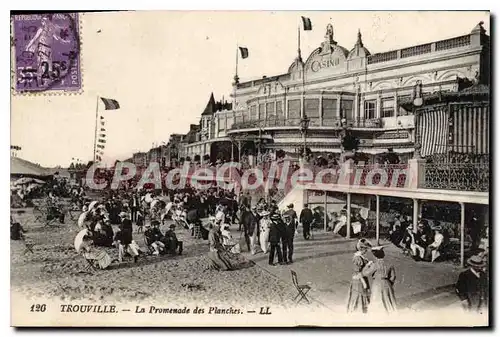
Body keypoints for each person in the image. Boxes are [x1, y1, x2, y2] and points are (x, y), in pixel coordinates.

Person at [361, 246, 397, 314]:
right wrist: (389, 283)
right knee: (388, 299)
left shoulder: (375, 264)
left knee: (377, 299)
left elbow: (365, 273)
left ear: (375, 256)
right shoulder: (389, 264)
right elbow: (393, 276)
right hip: (387, 283)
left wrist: (367, 265)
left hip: (377, 284)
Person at [347, 239, 372, 314]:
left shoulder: (360, 256)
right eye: (365, 249)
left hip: (361, 278)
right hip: (359, 280)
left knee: (361, 294)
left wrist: (367, 265)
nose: (366, 251)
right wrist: (363, 282)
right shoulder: (357, 258)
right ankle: (358, 311)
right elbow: (358, 272)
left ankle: (361, 310)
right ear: (361, 249)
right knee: (359, 294)